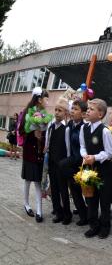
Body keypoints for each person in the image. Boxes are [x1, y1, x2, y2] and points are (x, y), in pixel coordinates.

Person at [80, 98, 112, 239]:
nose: (87, 110)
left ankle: (105, 226)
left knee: (104, 199)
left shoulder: (105, 131)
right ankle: (93, 225)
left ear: (100, 114)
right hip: (88, 168)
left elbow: (110, 152)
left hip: (103, 170)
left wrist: (95, 157)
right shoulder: (84, 128)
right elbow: (82, 146)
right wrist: (85, 156)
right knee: (90, 198)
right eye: (87, 108)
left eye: (91, 109)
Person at [19, 87, 50, 223]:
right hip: (29, 151)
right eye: (45, 98)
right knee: (28, 179)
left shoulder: (44, 113)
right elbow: (21, 130)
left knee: (38, 180)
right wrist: (33, 129)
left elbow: (47, 131)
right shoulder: (27, 112)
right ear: (38, 99)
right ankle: (26, 203)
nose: (46, 101)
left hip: (39, 151)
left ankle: (39, 210)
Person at [60, 100, 88, 226]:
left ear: (83, 114)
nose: (72, 111)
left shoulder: (84, 127)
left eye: (76, 109)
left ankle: (87, 215)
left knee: (83, 191)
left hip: (80, 161)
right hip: (72, 161)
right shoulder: (70, 124)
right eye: (72, 108)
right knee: (74, 188)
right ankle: (83, 216)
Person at [46, 98, 71, 224]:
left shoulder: (66, 129)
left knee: (63, 189)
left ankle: (67, 214)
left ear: (66, 113)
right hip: (51, 162)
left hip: (61, 164)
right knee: (54, 189)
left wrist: (66, 162)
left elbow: (68, 148)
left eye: (60, 110)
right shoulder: (51, 127)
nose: (56, 113)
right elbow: (48, 142)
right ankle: (57, 211)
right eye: (55, 110)